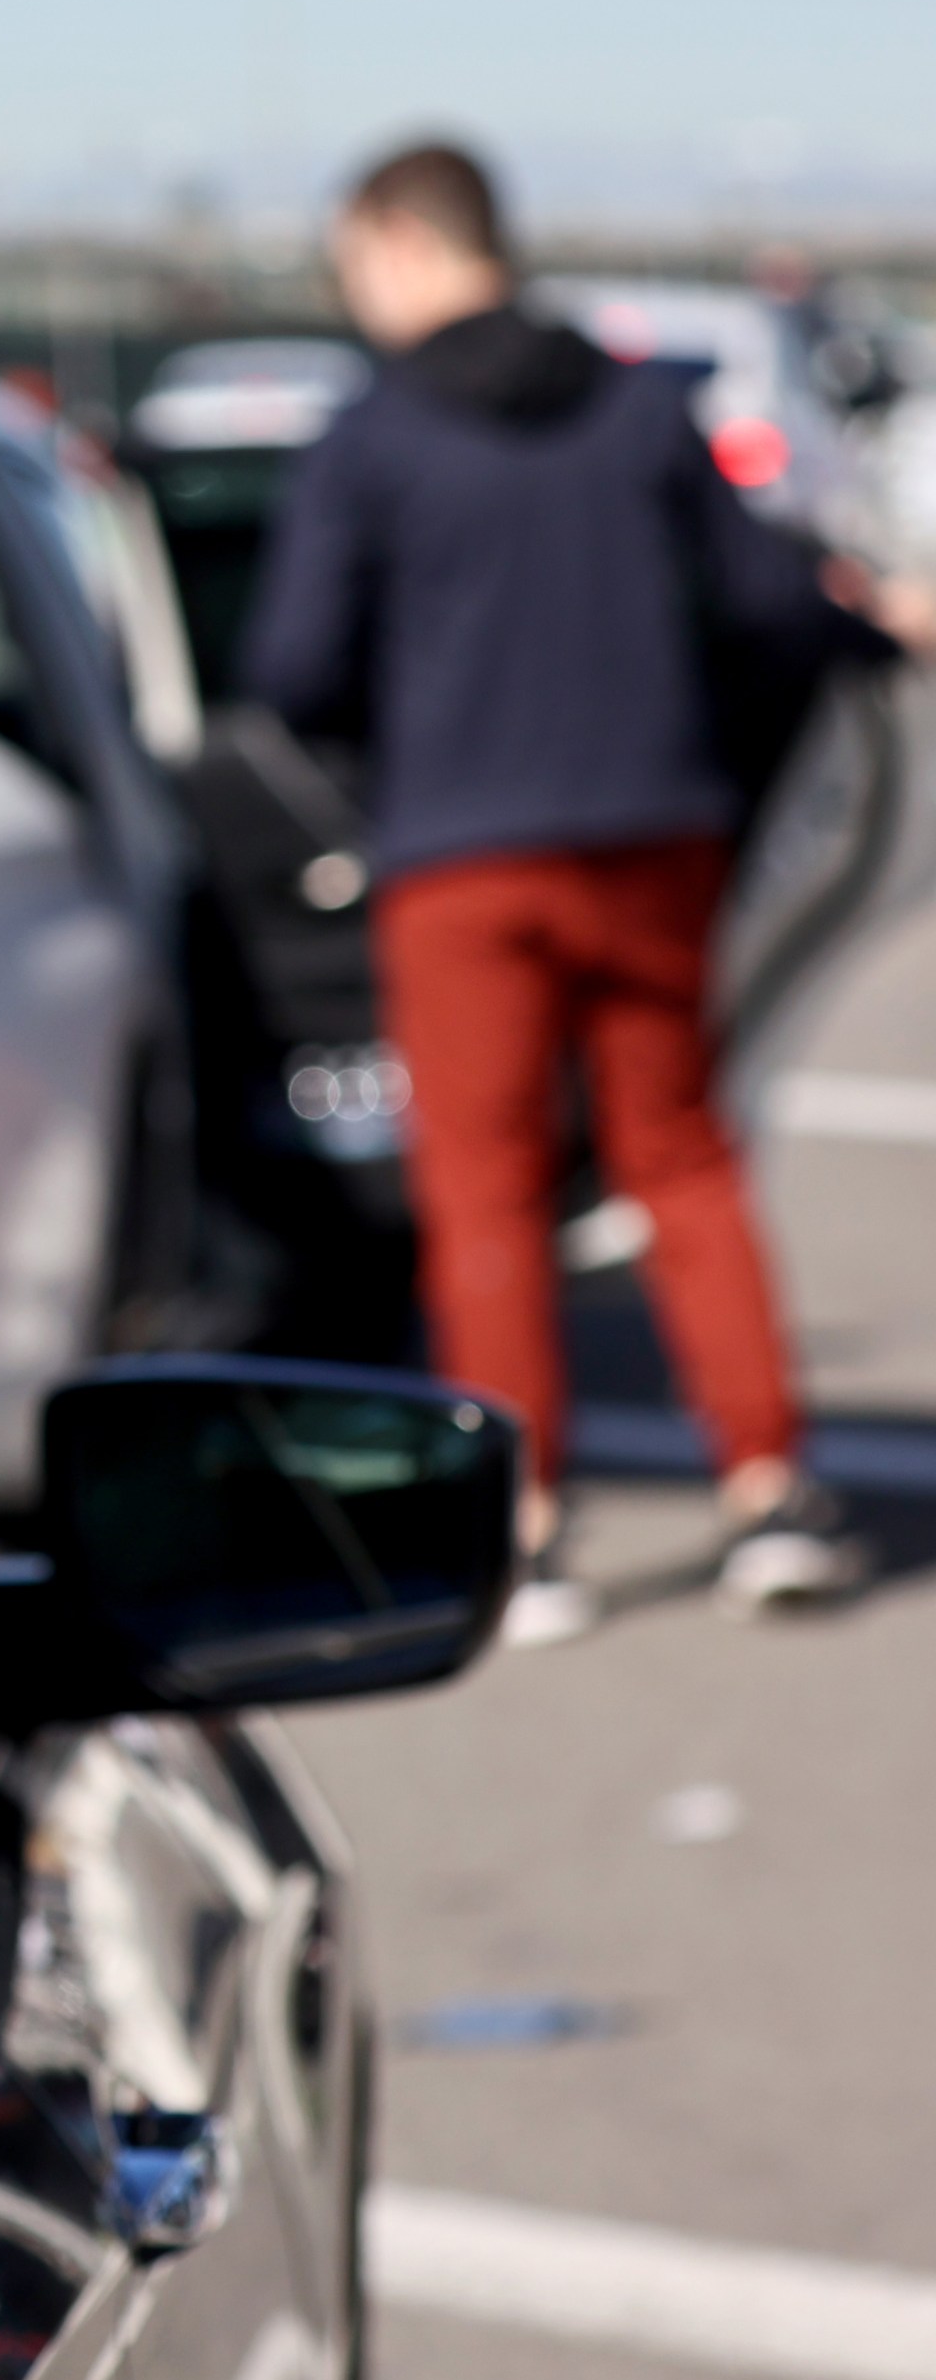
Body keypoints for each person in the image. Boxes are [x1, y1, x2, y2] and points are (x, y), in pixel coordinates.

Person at [242, 140, 936, 1645]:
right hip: (653, 842)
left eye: (354, 264)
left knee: (482, 1188)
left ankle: (530, 1525)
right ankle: (768, 1488)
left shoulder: (375, 436)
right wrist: (870, 632)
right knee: (680, 1161)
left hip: (461, 862)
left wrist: (403, 741)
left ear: (401, 243)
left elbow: (293, 668)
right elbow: (766, 609)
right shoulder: (639, 408)